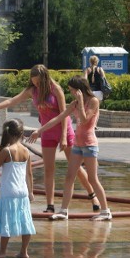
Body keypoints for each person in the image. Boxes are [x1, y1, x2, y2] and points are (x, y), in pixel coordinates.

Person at [0, 65, 101, 214]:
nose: (36, 85)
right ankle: (50, 205)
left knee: (76, 169)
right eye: (34, 82)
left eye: (39, 82)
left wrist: (64, 137)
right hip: (46, 132)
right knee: (48, 169)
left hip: (64, 131)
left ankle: (93, 197)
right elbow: (12, 101)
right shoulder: (32, 91)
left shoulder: (56, 89)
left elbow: (64, 114)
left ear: (45, 78)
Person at [28, 76, 112, 221]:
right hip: (78, 145)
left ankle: (105, 212)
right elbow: (58, 118)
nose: (71, 93)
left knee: (92, 179)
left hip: (89, 144)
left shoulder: (93, 101)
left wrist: (80, 103)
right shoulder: (74, 103)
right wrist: (40, 130)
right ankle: (63, 211)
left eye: (73, 90)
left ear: (79, 90)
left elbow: (85, 120)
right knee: (69, 177)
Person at [0, 118, 36, 258]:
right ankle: (24, 252)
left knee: (6, 220)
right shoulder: (26, 151)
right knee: (25, 220)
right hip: (23, 191)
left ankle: (2, 252)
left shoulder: (7, 151)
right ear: (21, 133)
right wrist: (31, 192)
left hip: (9, 191)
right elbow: (30, 174)